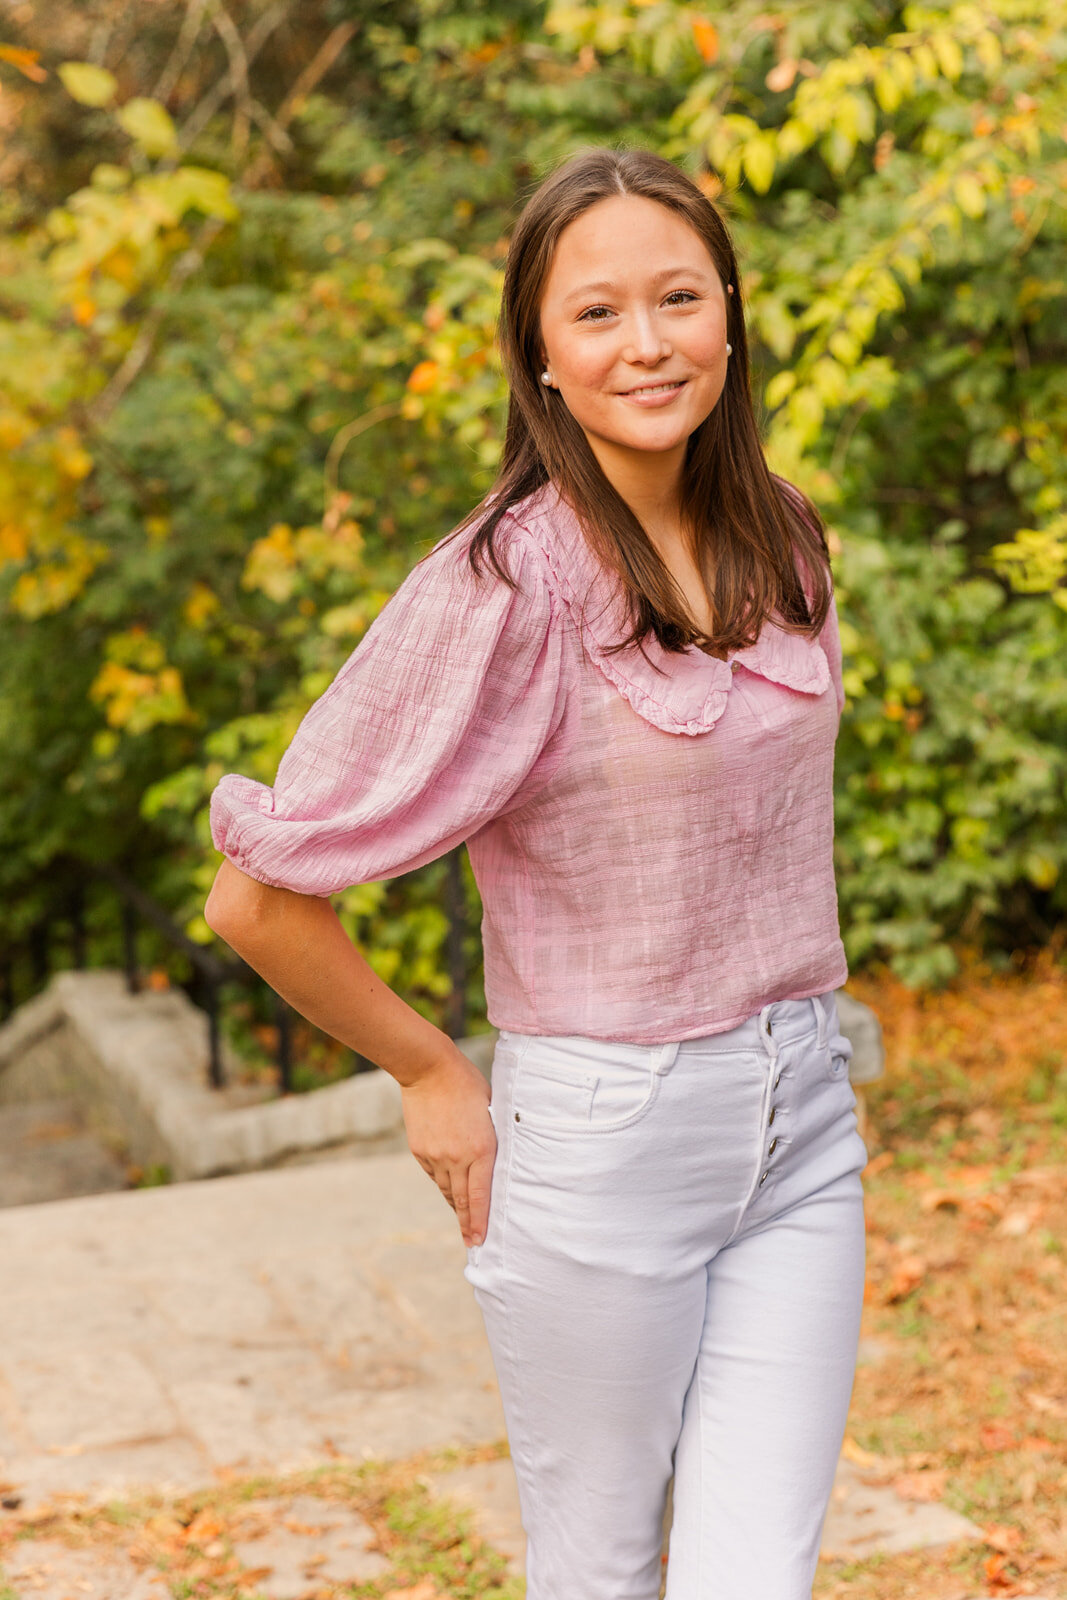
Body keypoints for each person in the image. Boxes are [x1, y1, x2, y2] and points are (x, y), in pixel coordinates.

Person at [205, 144, 869, 1600]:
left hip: (804, 1120)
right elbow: (256, 894)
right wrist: (432, 1073)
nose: (649, 343)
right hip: (604, 1140)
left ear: (732, 318)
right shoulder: (505, 583)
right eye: (599, 314)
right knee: (602, 1572)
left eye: (680, 298)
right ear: (540, 357)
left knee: (759, 1576)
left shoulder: (786, 540)